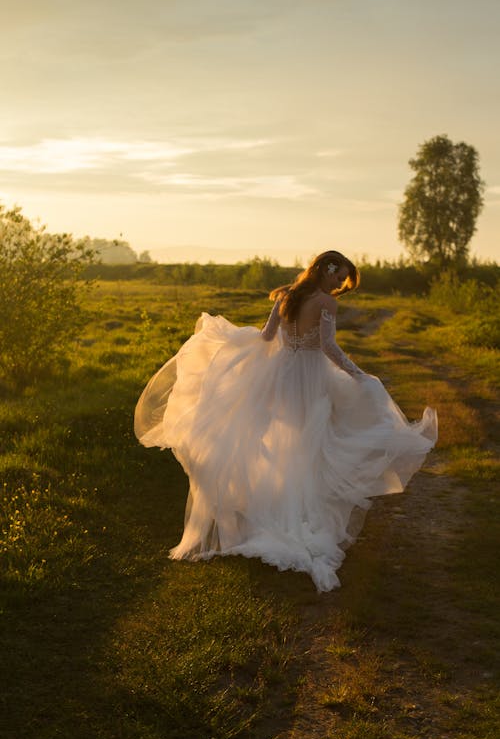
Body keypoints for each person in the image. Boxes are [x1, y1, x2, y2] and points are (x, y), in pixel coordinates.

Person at [134, 250, 437, 592]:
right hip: (310, 378)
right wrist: (359, 374)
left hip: (281, 376)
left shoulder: (285, 296)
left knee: (285, 444)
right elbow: (328, 347)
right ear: (325, 271)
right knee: (310, 447)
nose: (340, 286)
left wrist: (237, 351)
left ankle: (277, 511)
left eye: (344, 282)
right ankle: (298, 518)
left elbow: (265, 338)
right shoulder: (325, 303)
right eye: (339, 278)